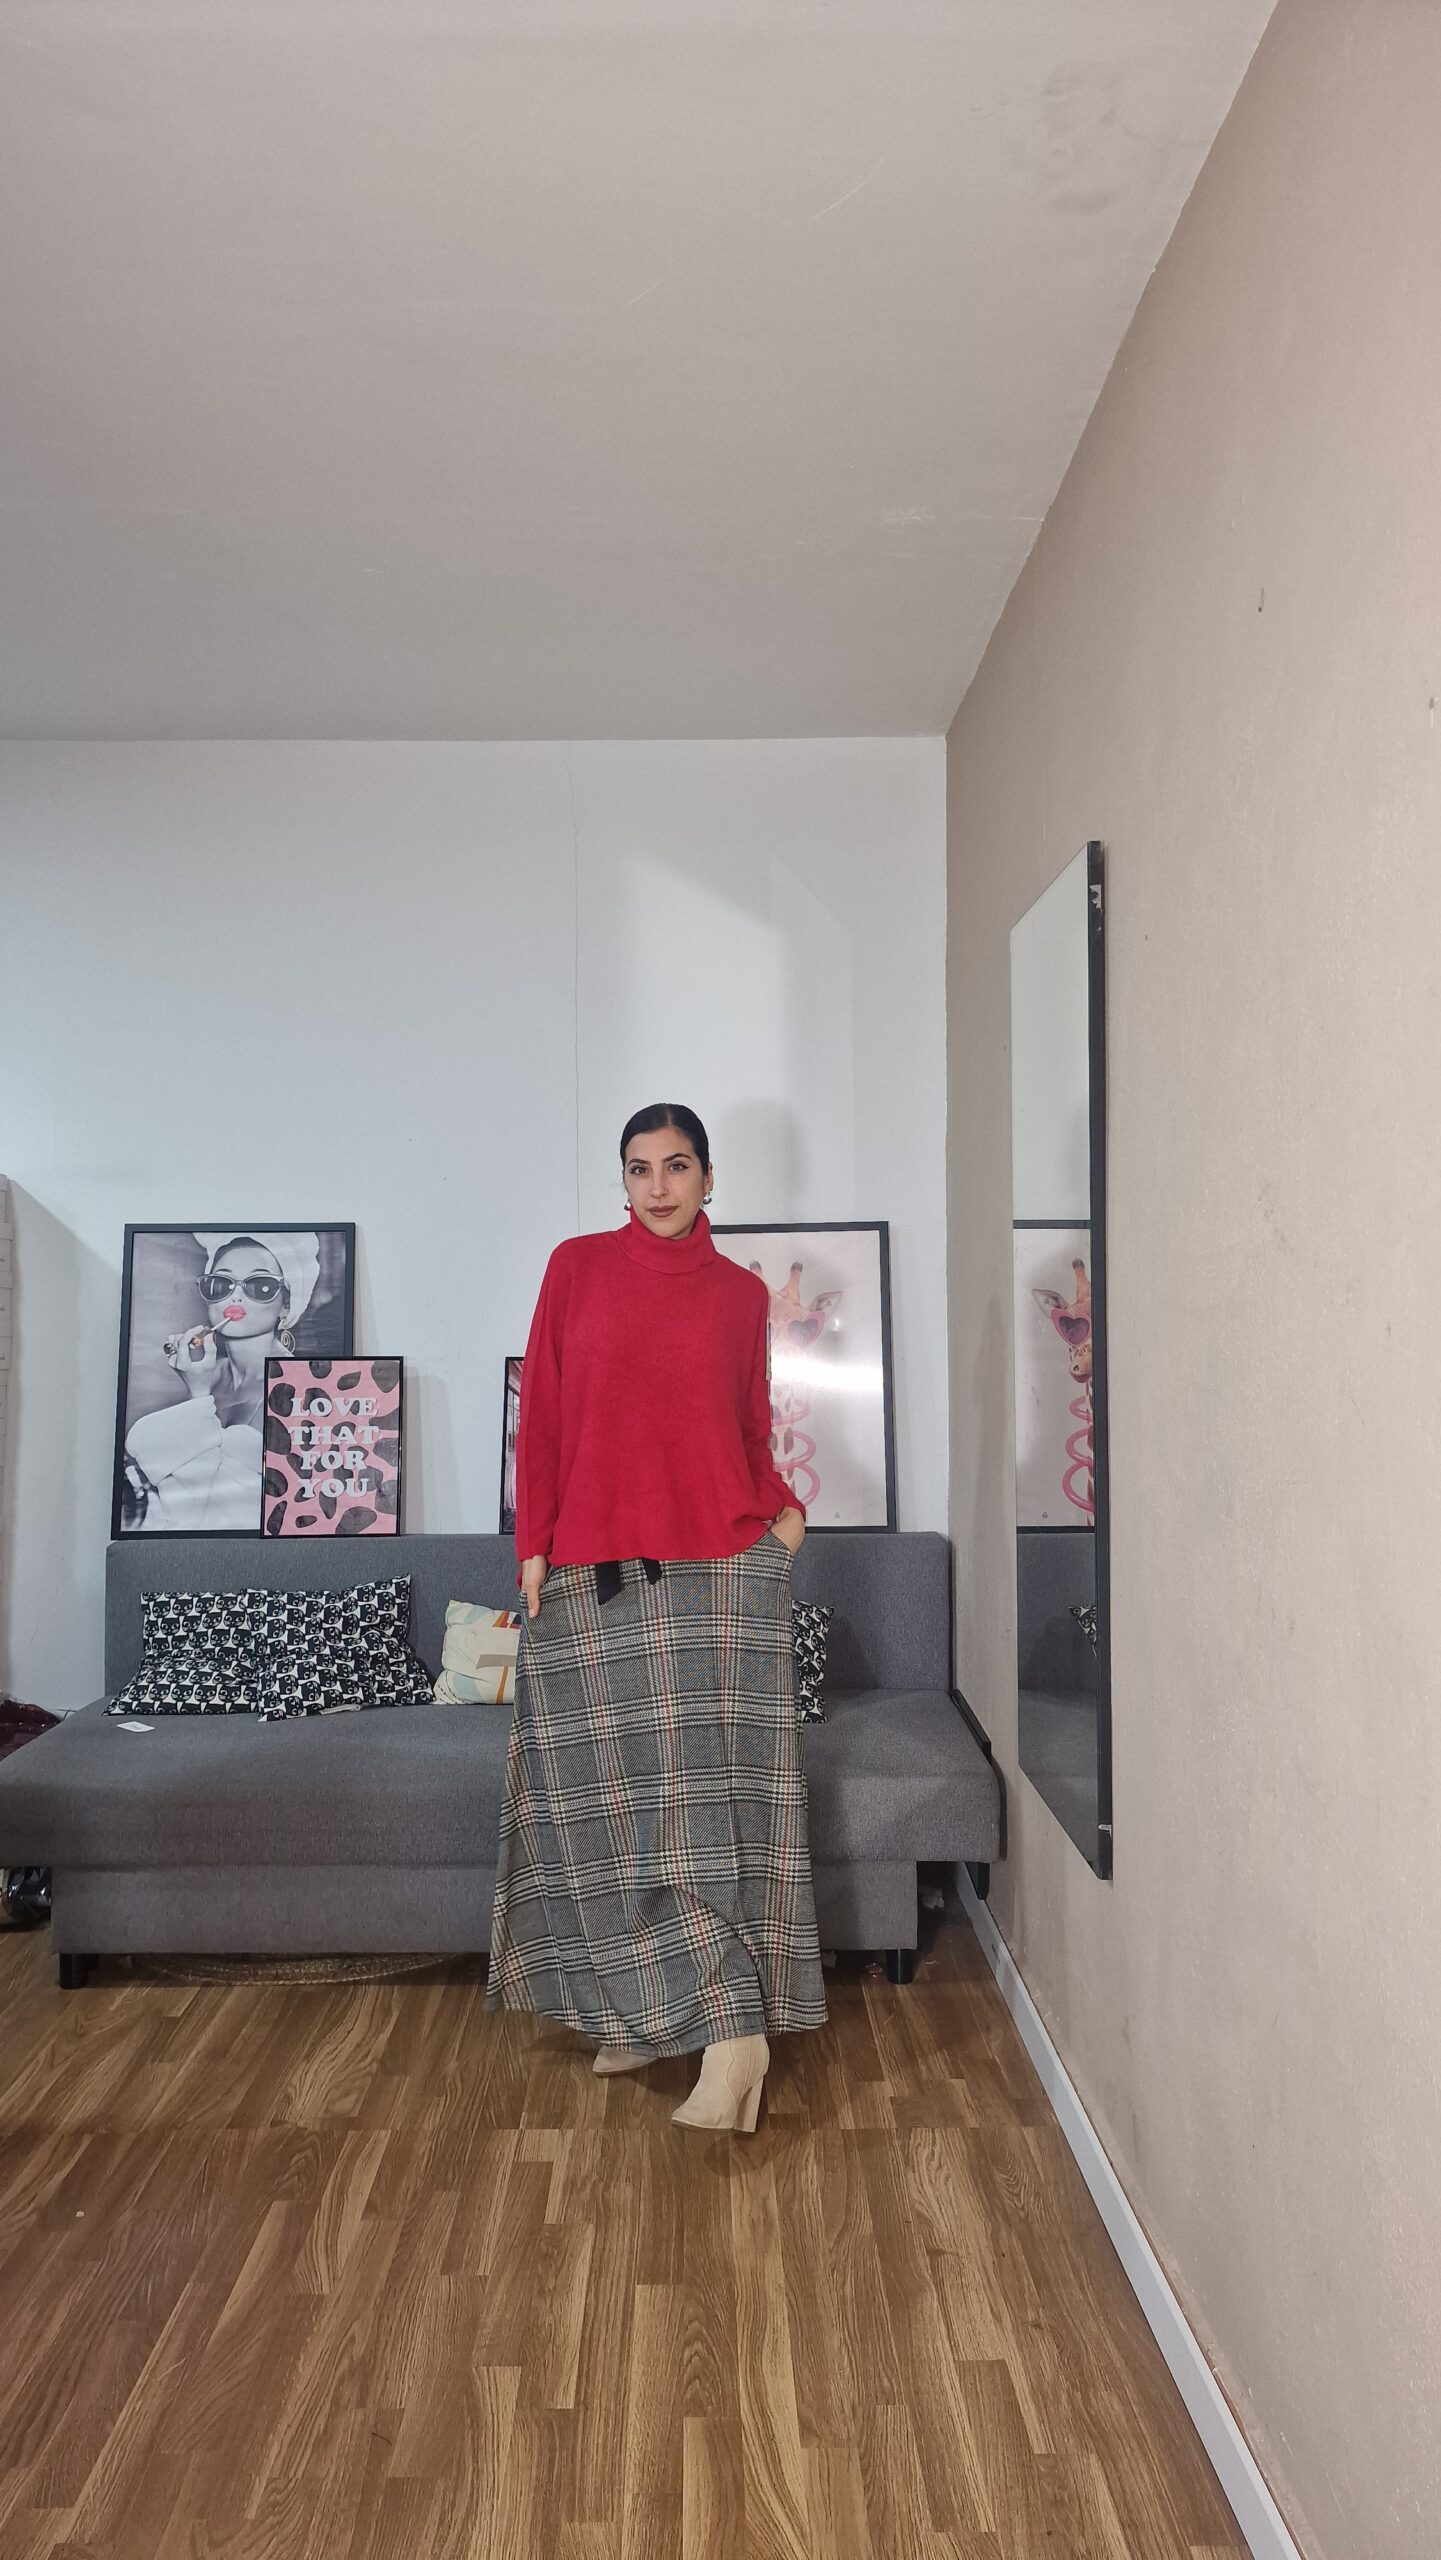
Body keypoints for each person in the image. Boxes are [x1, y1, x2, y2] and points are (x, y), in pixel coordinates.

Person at [483, 1105, 828, 2132]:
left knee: (709, 1810)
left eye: (678, 1166)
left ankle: (733, 2039)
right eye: (640, 1169)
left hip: (720, 1570)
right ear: (623, 1180)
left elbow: (746, 1427)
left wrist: (784, 1520)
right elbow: (544, 1413)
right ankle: (643, 2011)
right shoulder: (576, 1268)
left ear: (708, 1178)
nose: (659, 1186)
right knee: (602, 1804)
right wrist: (533, 1545)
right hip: (591, 1567)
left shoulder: (738, 1295)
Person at [121, 1231, 321, 1532]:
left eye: (260, 1285)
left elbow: (209, 1509)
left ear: (286, 1304)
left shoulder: (302, 1389)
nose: (235, 1296)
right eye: (221, 1284)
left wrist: (198, 1396)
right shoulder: (205, 1372)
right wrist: (198, 1389)